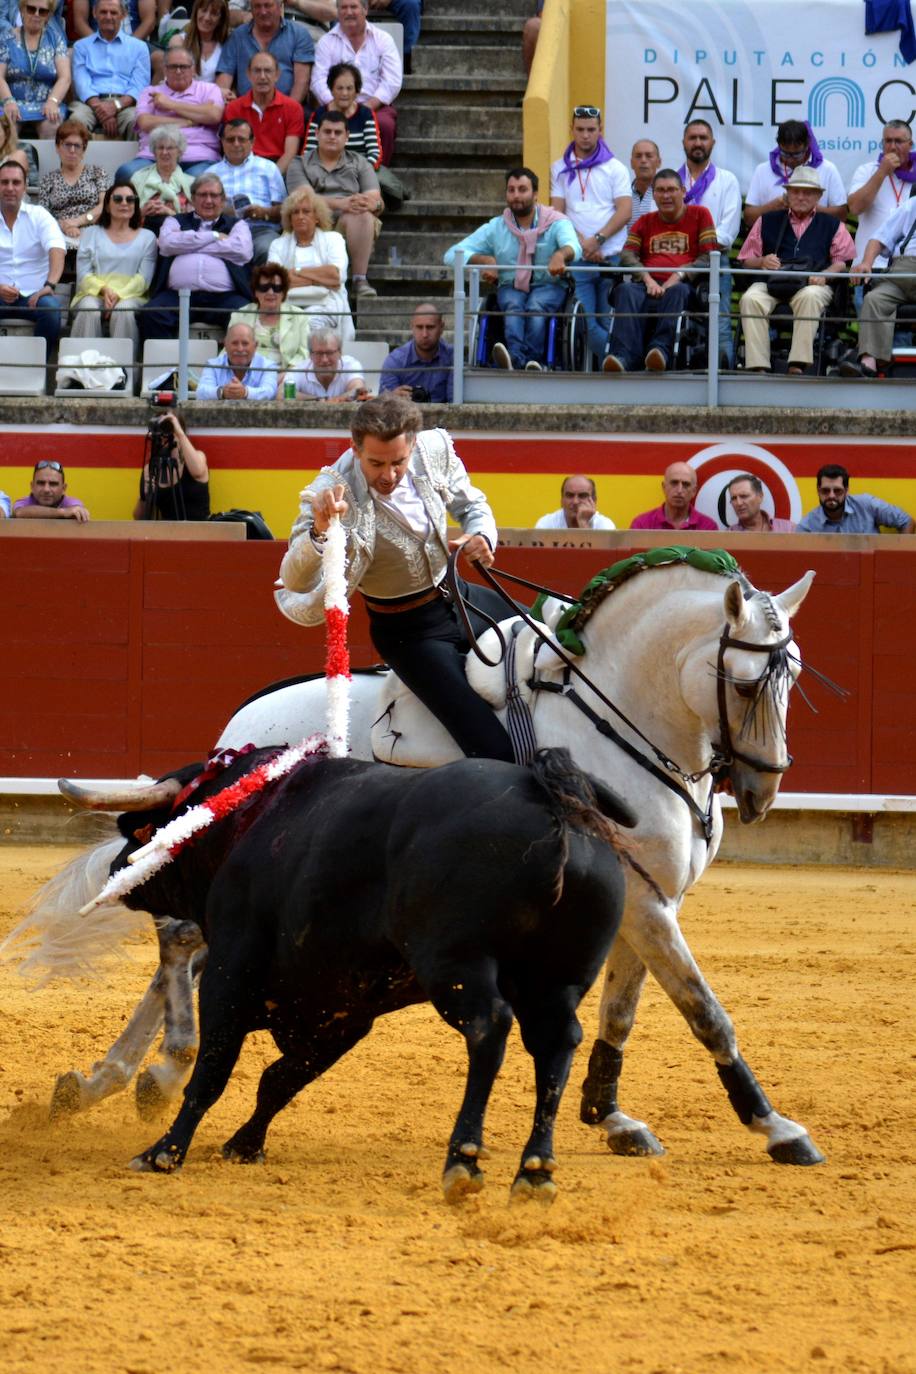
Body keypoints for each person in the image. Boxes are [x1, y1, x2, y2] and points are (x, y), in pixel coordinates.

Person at [277, 391, 515, 762]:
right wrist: (320, 533)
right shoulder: (330, 491)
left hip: (461, 596)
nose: (388, 475)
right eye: (376, 463)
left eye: (398, 462)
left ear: (413, 444)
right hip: (409, 634)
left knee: (556, 647)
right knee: (494, 748)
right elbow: (294, 579)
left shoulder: (432, 449)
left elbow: (472, 505)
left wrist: (483, 535)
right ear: (355, 450)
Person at [443, 165, 579, 372]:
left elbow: (574, 246)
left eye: (522, 189)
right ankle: (516, 359)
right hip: (511, 286)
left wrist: (560, 255)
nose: (516, 195)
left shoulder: (555, 222)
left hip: (548, 285)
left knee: (536, 305)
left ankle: (534, 361)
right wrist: (486, 261)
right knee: (514, 305)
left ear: (535, 194)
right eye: (511, 190)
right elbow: (452, 254)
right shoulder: (497, 227)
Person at [737, 165, 855, 376]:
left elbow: (842, 262)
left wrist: (824, 276)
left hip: (812, 283)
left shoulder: (833, 224)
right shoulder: (767, 220)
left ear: (818, 196)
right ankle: (758, 367)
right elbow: (746, 260)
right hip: (772, 283)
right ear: (787, 194)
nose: (801, 196)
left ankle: (797, 365)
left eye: (808, 192)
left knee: (810, 296)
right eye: (796, 191)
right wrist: (762, 261)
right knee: (750, 298)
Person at [604, 168, 716, 374]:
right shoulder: (645, 221)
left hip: (684, 287)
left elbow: (708, 256)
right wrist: (647, 279)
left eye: (672, 190)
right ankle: (623, 357)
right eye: (660, 190)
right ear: (653, 194)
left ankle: (660, 352)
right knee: (625, 291)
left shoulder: (701, 215)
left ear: (683, 191)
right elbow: (627, 254)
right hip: (647, 285)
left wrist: (679, 274)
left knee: (678, 292)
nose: (666, 195)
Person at [549, 105, 631, 362]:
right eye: (580, 129)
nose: (585, 135)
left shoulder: (615, 167)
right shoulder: (559, 168)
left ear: (600, 131)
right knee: (583, 318)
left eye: (591, 130)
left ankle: (609, 376)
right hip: (578, 257)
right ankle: (618, 359)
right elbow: (558, 213)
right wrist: (583, 245)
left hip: (610, 257)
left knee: (607, 320)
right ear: (571, 130)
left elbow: (625, 210)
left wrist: (597, 241)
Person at [140, 172, 253, 340]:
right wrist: (213, 236)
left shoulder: (237, 224)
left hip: (224, 297)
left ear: (222, 200)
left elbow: (242, 251)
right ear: (192, 198)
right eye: (202, 195)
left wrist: (186, 245)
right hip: (177, 295)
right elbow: (167, 244)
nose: (208, 200)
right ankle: (164, 366)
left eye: (214, 195)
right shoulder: (175, 220)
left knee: (245, 316)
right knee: (152, 314)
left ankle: (229, 366)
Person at [286, 109, 382, 298]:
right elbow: (304, 200)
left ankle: (359, 280)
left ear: (347, 136)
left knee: (362, 214)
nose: (332, 136)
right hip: (313, 220)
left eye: (338, 133)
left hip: (349, 220)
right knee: (303, 212)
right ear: (317, 134)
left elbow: (375, 198)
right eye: (327, 131)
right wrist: (340, 204)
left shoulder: (360, 162)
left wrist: (372, 205)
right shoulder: (299, 163)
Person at [678, 119, 741, 367]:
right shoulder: (672, 181)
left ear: (712, 143)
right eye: (692, 138)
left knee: (721, 321)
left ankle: (725, 380)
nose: (697, 143)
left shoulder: (727, 180)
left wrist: (698, 246)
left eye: (703, 138)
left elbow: (728, 230)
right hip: (678, 260)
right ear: (684, 142)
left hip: (716, 259)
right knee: (676, 317)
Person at [311, 0, 401, 165]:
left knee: (385, 125)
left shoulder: (383, 39)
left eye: (354, 7)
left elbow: (392, 81)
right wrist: (335, 105)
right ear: (337, 12)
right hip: (335, 104)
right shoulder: (326, 41)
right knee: (319, 121)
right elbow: (317, 80)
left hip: (374, 105)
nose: (349, 12)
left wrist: (365, 108)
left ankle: (378, 177)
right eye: (343, 7)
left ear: (365, 10)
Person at [71, 179, 157, 350]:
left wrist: (119, 295)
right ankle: (82, 369)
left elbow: (143, 280)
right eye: (118, 199)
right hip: (93, 293)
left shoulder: (148, 237)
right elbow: (83, 275)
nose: (124, 203)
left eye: (130, 199)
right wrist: (104, 290)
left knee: (123, 310)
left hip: (132, 297)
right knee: (89, 308)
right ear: (108, 206)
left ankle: (124, 372)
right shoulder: (90, 233)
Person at [118, 45, 224, 180]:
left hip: (198, 156)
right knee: (126, 173)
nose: (178, 71)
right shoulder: (150, 92)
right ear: (165, 70)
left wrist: (170, 104)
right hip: (154, 157)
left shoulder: (209, 89)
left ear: (193, 69)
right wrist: (190, 120)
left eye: (183, 67)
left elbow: (213, 115)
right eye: (173, 67)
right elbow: (145, 122)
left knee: (199, 180)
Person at [843, 192, 916, 377]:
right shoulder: (912, 205)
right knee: (875, 299)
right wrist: (867, 262)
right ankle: (869, 362)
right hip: (903, 271)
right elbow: (879, 238)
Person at [267, 183, 353, 340]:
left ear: (317, 217)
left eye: (306, 211)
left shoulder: (333, 239)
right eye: (295, 212)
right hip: (288, 307)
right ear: (289, 219)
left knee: (308, 326)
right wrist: (320, 280)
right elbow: (274, 283)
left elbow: (336, 276)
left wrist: (296, 272)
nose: (300, 216)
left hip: (327, 305)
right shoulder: (278, 245)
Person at [0, 156, 64, 344]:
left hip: (35, 296)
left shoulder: (39, 215)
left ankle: (38, 369)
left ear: (25, 187)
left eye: (16, 182)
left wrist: (49, 285)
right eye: (4, 182)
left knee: (51, 310)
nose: (10, 188)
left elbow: (57, 249)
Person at [205, 116, 285, 263]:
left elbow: (283, 210)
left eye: (241, 139)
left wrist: (264, 213)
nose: (236, 144)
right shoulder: (210, 173)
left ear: (252, 142)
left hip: (260, 230)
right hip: (223, 231)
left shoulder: (268, 168)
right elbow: (201, 211)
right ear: (222, 142)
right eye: (230, 139)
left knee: (267, 250)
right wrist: (223, 211)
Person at [847, 121, 916, 282]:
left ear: (910, 144)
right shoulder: (867, 171)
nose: (892, 147)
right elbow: (855, 208)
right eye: (888, 141)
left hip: (910, 267)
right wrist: (882, 172)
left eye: (898, 141)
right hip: (870, 266)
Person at [70, 0, 151, 137]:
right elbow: (82, 83)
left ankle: (137, 159)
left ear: (123, 15)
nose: (108, 16)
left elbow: (139, 85)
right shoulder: (81, 46)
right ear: (94, 13)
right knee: (77, 119)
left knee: (136, 120)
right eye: (103, 12)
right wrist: (104, 112)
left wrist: (116, 106)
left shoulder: (139, 47)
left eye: (113, 12)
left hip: (125, 105)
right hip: (90, 104)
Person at [743, 119, 847, 225]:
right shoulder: (762, 170)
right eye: (785, 154)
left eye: (797, 154)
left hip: (816, 239)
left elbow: (842, 215)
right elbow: (748, 218)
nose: (791, 159)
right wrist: (772, 206)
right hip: (774, 239)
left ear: (807, 146)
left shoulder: (827, 169)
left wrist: (810, 207)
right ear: (778, 145)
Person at [223, 51, 303, 178]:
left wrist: (270, 177)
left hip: (278, 169)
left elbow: (290, 154)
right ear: (248, 74)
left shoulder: (293, 108)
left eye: (268, 71)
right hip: (244, 167)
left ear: (277, 75)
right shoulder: (234, 108)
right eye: (257, 71)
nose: (262, 76)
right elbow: (233, 148)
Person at [216, 0, 313, 103]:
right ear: (251, 9)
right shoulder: (237, 36)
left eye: (268, 5)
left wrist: (288, 111)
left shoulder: (298, 35)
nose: (263, 11)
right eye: (257, 6)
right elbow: (223, 83)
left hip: (285, 109)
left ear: (280, 6)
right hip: (244, 110)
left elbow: (301, 82)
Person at [228, 261, 312, 379]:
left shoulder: (299, 316)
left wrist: (286, 375)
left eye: (277, 288)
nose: (270, 292)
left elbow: (304, 354)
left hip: (285, 377)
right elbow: (229, 350)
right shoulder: (240, 314)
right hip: (247, 376)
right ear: (256, 292)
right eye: (264, 288)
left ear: (283, 293)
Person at [0, 0, 70, 137]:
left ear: (48, 15)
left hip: (47, 105)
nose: (36, 14)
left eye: (42, 11)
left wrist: (53, 101)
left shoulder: (56, 39)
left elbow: (65, 77)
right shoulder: (6, 38)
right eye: (31, 9)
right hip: (11, 103)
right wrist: (8, 101)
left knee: (53, 126)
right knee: (3, 129)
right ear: (22, 10)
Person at [36, 120, 109, 248]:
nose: (72, 150)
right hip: (58, 234)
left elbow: (105, 205)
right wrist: (64, 226)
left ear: (84, 149)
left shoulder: (97, 173)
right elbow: (42, 215)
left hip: (93, 231)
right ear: (58, 147)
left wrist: (78, 221)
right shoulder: (48, 180)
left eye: (77, 145)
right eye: (67, 144)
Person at [134, 409, 210, 519]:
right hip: (168, 533)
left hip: (200, 531)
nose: (164, 434)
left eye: (168, 427)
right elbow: (139, 517)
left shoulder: (198, 456)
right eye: (161, 428)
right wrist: (145, 497)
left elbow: (198, 471)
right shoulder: (152, 468)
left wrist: (178, 432)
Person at [304, 60, 381, 168]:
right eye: (339, 88)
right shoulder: (319, 115)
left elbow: (374, 154)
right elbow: (308, 153)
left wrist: (360, 172)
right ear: (331, 90)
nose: (344, 93)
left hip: (359, 173)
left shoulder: (366, 115)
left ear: (357, 91)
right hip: (324, 173)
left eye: (349, 88)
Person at [796, 464, 914, 533]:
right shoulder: (807, 527)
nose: (831, 495)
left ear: (846, 490)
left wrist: (895, 559)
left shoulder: (867, 505)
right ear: (818, 490)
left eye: (837, 491)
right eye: (825, 491)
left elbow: (907, 521)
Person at [379, 301, 453, 401]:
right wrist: (392, 397)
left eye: (430, 327)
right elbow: (381, 406)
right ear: (412, 326)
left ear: (441, 327)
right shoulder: (395, 360)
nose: (425, 334)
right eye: (419, 327)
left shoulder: (453, 358)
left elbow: (456, 403)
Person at [195, 319, 279, 399]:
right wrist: (222, 392)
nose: (240, 349)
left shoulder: (268, 366)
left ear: (255, 345)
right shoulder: (213, 365)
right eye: (234, 343)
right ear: (225, 345)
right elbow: (201, 392)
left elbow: (270, 392)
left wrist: (245, 392)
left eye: (245, 343)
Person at [132, 125, 195, 229]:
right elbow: (126, 217)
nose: (164, 152)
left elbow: (194, 224)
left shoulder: (191, 183)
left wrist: (169, 213)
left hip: (178, 237)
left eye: (170, 148)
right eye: (160, 148)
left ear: (179, 151)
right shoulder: (138, 178)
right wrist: (142, 212)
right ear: (154, 151)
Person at [630, 461, 717, 531]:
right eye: (674, 483)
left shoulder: (707, 527)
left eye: (686, 484)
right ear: (664, 487)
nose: (679, 490)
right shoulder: (642, 525)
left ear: (694, 491)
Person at [294, 325, 366, 400]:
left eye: (330, 353)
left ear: (340, 353)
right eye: (319, 353)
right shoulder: (300, 368)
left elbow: (359, 392)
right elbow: (282, 394)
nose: (324, 360)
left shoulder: (350, 365)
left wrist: (325, 402)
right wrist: (318, 400)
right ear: (310, 355)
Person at [11, 459, 89, 521]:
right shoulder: (23, 502)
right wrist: (63, 512)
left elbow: (78, 513)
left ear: (63, 488)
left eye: (53, 484)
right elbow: (20, 513)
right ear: (32, 486)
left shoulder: (72, 503)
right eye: (41, 483)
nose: (46, 489)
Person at [172, 0, 230, 82]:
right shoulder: (179, 41)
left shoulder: (226, 45)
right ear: (196, 12)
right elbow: (180, 80)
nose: (207, 18)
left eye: (214, 13)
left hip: (215, 95)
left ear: (221, 20)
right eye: (203, 10)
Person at [535, 475, 616, 530]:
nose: (575, 501)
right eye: (570, 495)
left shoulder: (605, 526)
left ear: (594, 501)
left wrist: (583, 523)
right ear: (561, 501)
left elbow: (596, 556)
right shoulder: (546, 524)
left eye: (582, 496)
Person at [726, 473, 795, 532]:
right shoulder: (726, 537)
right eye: (734, 498)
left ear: (760, 497)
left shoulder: (788, 529)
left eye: (744, 496)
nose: (739, 503)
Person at [627, 138, 660, 230]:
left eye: (649, 156)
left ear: (659, 162)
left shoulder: (666, 194)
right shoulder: (623, 194)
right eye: (638, 156)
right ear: (631, 163)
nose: (643, 160)